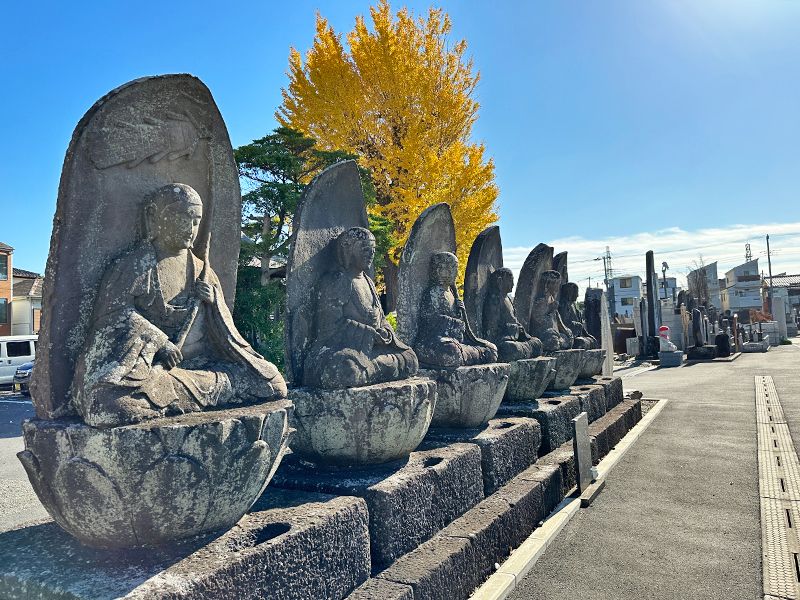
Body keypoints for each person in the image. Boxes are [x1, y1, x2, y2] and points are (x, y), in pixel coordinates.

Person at [72, 183, 286, 427]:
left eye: (196, 221)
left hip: (198, 370)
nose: (191, 228)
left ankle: (184, 391)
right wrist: (160, 341)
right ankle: (178, 391)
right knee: (109, 406)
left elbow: (227, 335)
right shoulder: (132, 266)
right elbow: (112, 317)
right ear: (154, 215)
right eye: (182, 218)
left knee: (271, 382)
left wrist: (213, 303)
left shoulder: (202, 271)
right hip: (147, 372)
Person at [303, 227, 418, 389]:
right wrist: (368, 332)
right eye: (365, 248)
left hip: (371, 350)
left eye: (373, 249)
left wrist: (385, 333)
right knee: (344, 369)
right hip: (344, 349)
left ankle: (372, 368)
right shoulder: (336, 281)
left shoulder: (369, 282)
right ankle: (371, 368)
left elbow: (382, 320)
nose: (371, 253)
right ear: (348, 250)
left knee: (410, 358)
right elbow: (328, 329)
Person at [414, 251, 497, 368]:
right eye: (453, 267)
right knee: (451, 351)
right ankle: (465, 355)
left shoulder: (452, 293)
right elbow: (430, 321)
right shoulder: (433, 292)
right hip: (433, 342)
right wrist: (456, 323)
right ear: (439, 269)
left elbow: (462, 326)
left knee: (490, 350)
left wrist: (460, 313)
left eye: (455, 267)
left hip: (455, 341)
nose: (456, 272)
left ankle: (468, 354)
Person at [482, 268, 542, 361]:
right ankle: (525, 349)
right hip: (502, 341)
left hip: (514, 337)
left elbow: (514, 320)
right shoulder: (494, 299)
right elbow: (492, 328)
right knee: (510, 349)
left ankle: (526, 349)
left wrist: (520, 329)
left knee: (537, 342)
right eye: (510, 281)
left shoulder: (508, 299)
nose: (513, 284)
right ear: (500, 281)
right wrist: (514, 329)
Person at [558, 281, 597, 349]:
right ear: (569, 292)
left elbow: (580, 324)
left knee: (592, 341)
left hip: (577, 333)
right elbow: (564, 323)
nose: (577, 295)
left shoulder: (573, 306)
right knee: (581, 343)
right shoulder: (563, 305)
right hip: (568, 335)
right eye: (576, 292)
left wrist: (587, 334)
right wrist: (577, 325)